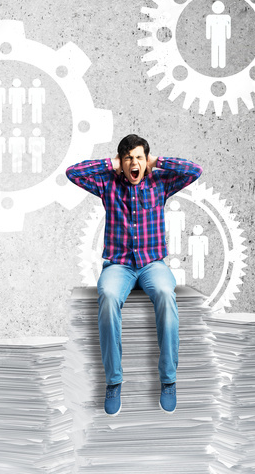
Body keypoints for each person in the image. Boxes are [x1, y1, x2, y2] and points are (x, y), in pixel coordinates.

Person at [66, 134, 201, 416]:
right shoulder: (108, 184)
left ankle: (169, 380)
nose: (133, 162)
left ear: (146, 160)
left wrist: (157, 161)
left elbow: (194, 171)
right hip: (119, 264)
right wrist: (110, 162)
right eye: (128, 158)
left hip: (153, 264)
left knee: (166, 293)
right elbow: (72, 173)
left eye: (139, 157)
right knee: (108, 294)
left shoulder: (160, 182)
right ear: (121, 162)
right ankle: (114, 381)